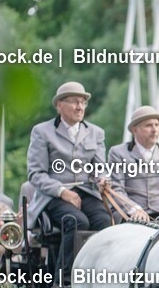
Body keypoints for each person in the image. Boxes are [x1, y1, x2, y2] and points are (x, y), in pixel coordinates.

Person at [26, 81, 112, 232]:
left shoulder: (96, 133)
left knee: (104, 221)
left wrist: (102, 179)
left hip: (87, 193)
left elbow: (100, 168)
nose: (80, 107)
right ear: (59, 105)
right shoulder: (41, 132)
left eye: (83, 102)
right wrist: (62, 192)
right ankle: (68, 257)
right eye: (74, 102)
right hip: (54, 196)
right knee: (77, 222)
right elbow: (36, 174)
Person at [108, 105, 159, 222]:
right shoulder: (117, 153)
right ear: (135, 130)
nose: (154, 129)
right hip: (129, 215)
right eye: (148, 125)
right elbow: (116, 189)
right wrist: (134, 209)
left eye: (157, 125)